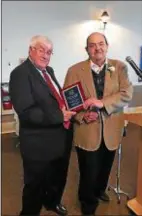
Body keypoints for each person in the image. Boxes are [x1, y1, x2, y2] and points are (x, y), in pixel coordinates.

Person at [63, 32, 133, 215]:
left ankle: (100, 189)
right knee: (88, 171)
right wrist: (81, 117)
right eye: (92, 45)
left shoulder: (119, 67)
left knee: (105, 167)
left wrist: (102, 103)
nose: (97, 48)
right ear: (87, 50)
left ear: (107, 46)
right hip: (87, 131)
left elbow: (126, 94)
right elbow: (69, 103)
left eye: (101, 44)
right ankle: (88, 203)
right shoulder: (74, 70)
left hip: (112, 129)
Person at [9, 35, 76, 216]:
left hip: (60, 138)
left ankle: (53, 202)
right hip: (37, 144)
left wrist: (72, 106)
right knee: (35, 186)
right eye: (41, 50)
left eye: (49, 52)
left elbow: (56, 98)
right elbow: (26, 111)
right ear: (31, 50)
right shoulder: (20, 74)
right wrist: (59, 116)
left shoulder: (49, 70)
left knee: (57, 178)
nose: (46, 55)